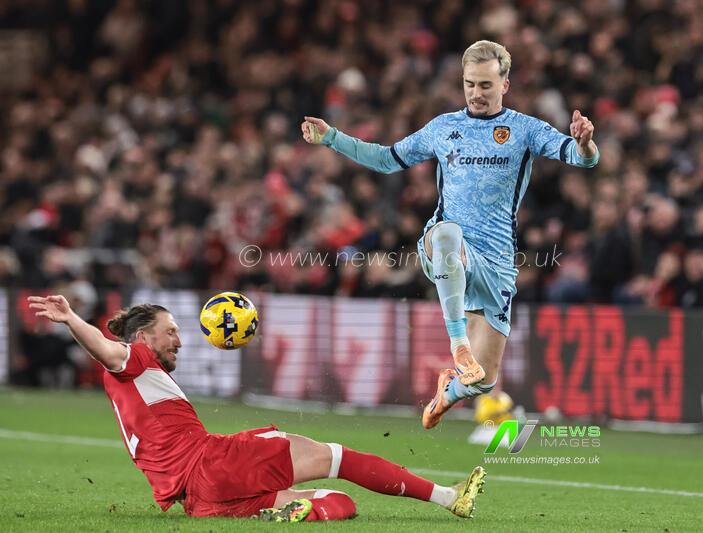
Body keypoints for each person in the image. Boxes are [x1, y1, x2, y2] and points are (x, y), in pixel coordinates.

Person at [302, 40, 599, 428]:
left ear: (505, 85)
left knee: (485, 379)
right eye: (470, 84)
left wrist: (585, 142)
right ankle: (458, 344)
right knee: (446, 235)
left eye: (486, 85)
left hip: (496, 262)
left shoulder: (524, 129)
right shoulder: (444, 128)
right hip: (445, 247)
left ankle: (450, 389)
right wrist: (332, 138)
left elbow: (580, 158)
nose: (476, 93)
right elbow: (387, 160)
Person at [27, 295, 486, 522]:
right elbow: (108, 352)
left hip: (198, 501)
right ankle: (449, 497)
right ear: (143, 337)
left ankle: (292, 511)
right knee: (339, 457)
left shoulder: (128, 383)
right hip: (213, 462)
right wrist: (71, 320)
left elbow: (110, 361)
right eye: (170, 331)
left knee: (341, 506)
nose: (180, 339)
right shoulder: (135, 358)